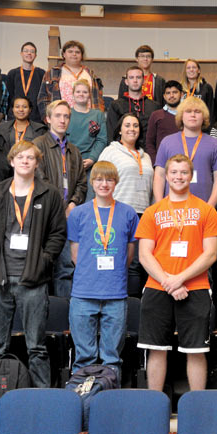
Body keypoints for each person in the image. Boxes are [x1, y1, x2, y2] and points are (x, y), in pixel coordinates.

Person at [0, 140, 67, 388]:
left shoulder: (49, 195)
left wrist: (44, 261)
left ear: (37, 163)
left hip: (33, 281)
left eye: (30, 158)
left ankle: (41, 400)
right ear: (12, 161)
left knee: (36, 347)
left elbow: (58, 234)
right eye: (20, 157)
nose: (25, 161)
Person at [136, 154, 217, 393]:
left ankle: (197, 407)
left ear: (191, 175)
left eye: (184, 172)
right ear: (166, 176)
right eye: (174, 172)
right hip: (158, 287)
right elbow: (145, 254)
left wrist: (179, 279)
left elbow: (210, 254)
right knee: (156, 348)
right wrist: (169, 282)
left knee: (195, 351)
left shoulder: (206, 210)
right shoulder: (152, 212)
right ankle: (155, 407)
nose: (178, 177)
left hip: (194, 288)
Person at [67, 161, 139, 373]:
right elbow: (75, 256)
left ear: (116, 182)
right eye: (99, 179)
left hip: (115, 294)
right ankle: (83, 400)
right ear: (92, 182)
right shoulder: (78, 214)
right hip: (83, 293)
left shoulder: (128, 214)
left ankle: (108, 400)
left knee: (112, 358)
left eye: (109, 179)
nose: (104, 184)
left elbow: (129, 256)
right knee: (83, 358)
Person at [34, 100, 88, 298]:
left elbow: (82, 182)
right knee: (42, 267)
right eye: (58, 115)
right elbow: (40, 180)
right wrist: (61, 207)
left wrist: (73, 203)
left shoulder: (74, 151)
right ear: (48, 119)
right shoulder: (38, 145)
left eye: (66, 116)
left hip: (69, 217)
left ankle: (64, 320)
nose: (62, 120)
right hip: (45, 216)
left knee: (66, 268)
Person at [98, 113, 154, 297]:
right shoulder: (110, 151)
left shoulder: (146, 157)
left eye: (136, 125)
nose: (132, 129)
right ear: (120, 129)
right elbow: (100, 182)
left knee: (139, 263)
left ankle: (134, 308)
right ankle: (116, 303)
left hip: (143, 215)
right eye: (127, 125)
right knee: (118, 260)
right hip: (118, 213)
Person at [153, 97, 217, 206]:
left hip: (204, 209)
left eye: (197, 112)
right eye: (188, 111)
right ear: (181, 116)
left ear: (204, 117)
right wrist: (159, 205)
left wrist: (210, 207)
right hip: (171, 209)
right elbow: (159, 175)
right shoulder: (167, 142)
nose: (193, 115)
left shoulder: (215, 144)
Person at [38, 40, 104, 117]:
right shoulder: (52, 73)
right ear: (64, 54)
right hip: (61, 119)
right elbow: (43, 99)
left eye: (77, 52)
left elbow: (99, 99)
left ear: (82, 55)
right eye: (70, 51)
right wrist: (49, 119)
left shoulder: (90, 74)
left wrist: (98, 117)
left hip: (88, 119)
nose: (74, 54)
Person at [67, 80, 107, 199]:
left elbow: (102, 140)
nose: (81, 94)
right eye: (78, 91)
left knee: (89, 199)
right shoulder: (67, 114)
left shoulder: (97, 115)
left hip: (90, 163)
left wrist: (92, 159)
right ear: (73, 94)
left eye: (85, 92)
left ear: (89, 95)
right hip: (69, 162)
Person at [107, 65, 161, 138]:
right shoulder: (116, 105)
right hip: (123, 147)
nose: (135, 80)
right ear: (126, 81)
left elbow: (158, 133)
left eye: (138, 77)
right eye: (131, 77)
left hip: (147, 147)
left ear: (143, 81)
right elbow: (111, 133)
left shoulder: (154, 106)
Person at [5, 41, 46, 122]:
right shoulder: (12, 73)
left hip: (35, 118)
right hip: (16, 116)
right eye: (26, 51)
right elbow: (9, 97)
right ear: (21, 53)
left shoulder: (41, 73)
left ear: (35, 55)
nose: (29, 53)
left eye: (32, 52)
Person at [146, 81, 184, 165]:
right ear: (164, 96)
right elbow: (149, 143)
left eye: (175, 92)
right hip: (162, 164)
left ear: (181, 94)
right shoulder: (156, 115)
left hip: (186, 162)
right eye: (168, 93)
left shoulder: (188, 115)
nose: (171, 96)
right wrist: (156, 163)